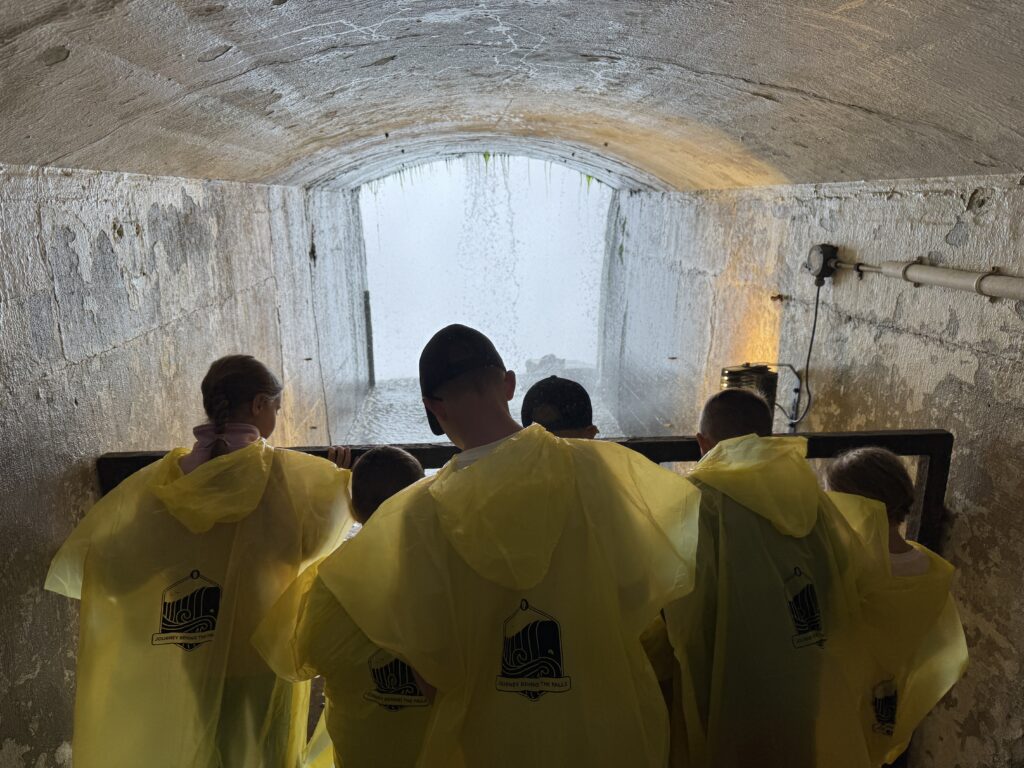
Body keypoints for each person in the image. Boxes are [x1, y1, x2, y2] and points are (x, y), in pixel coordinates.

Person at [264, 324, 701, 767]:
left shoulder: (418, 515)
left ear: (433, 409)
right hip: (605, 730)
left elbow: (429, 673)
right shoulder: (602, 470)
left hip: (490, 744)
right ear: (509, 385)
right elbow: (645, 593)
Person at [45, 354, 353, 768]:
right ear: (260, 405)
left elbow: (126, 558)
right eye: (277, 408)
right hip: (261, 647)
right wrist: (333, 480)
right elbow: (309, 544)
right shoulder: (282, 474)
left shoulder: (173, 478)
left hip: (196, 645)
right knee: (268, 750)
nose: (277, 416)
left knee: (209, 748)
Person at [663, 387, 879, 768]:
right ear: (768, 436)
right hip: (800, 673)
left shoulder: (698, 497)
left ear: (702, 443)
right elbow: (844, 576)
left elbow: (677, 602)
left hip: (728, 678)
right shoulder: (807, 490)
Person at [258, 445, 430, 768]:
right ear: (420, 499)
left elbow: (307, 653)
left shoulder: (332, 576)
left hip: (363, 743)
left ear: (353, 508)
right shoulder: (439, 568)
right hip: (431, 741)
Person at [825, 447, 968, 766]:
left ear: (854, 506)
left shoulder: (847, 570)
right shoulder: (928, 568)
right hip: (887, 701)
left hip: (837, 705)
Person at [520, 374, 599, 439]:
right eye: (537, 445)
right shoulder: (605, 457)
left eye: (557, 445)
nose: (546, 454)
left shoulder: (518, 455)